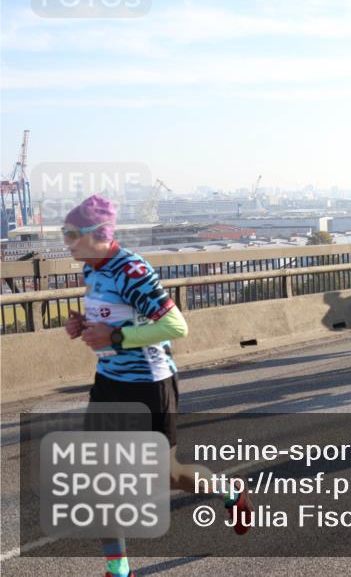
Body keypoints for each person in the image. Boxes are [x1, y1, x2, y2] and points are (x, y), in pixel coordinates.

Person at [62, 195, 253, 577]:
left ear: (98, 234)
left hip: (150, 387)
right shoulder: (92, 269)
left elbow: (175, 327)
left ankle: (229, 493)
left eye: (71, 234)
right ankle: (118, 571)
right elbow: (112, 316)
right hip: (108, 385)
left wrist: (115, 338)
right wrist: (82, 327)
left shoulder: (131, 270)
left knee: (169, 476)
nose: (66, 242)